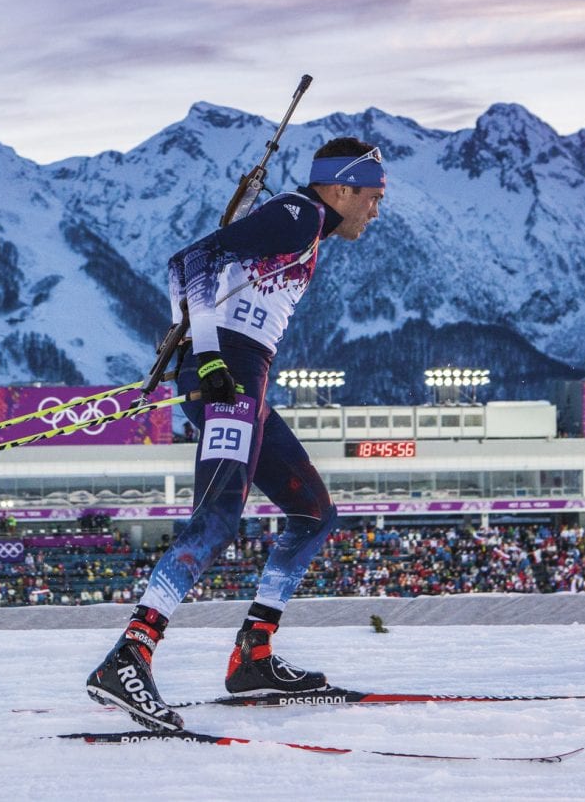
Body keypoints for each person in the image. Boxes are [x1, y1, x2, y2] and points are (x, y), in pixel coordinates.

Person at [85, 136, 387, 731]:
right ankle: (129, 656)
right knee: (218, 516)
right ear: (341, 188)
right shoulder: (300, 215)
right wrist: (208, 355)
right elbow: (188, 262)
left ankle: (253, 656)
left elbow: (207, 272)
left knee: (313, 514)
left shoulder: (307, 226)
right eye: (373, 196)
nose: (376, 209)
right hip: (227, 376)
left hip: (242, 378)